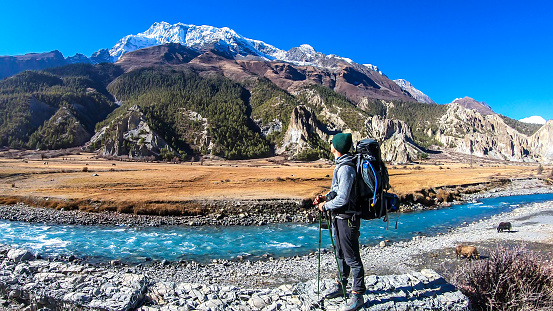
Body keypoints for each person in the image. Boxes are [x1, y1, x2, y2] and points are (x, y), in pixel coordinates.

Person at [313, 132, 365, 311]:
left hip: (348, 219)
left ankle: (358, 295)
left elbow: (342, 199)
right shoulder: (341, 166)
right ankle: (341, 284)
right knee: (341, 254)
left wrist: (325, 207)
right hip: (340, 218)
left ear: (337, 147)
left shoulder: (346, 169)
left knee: (352, 258)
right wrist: (324, 197)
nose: (330, 144)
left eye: (332, 142)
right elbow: (336, 190)